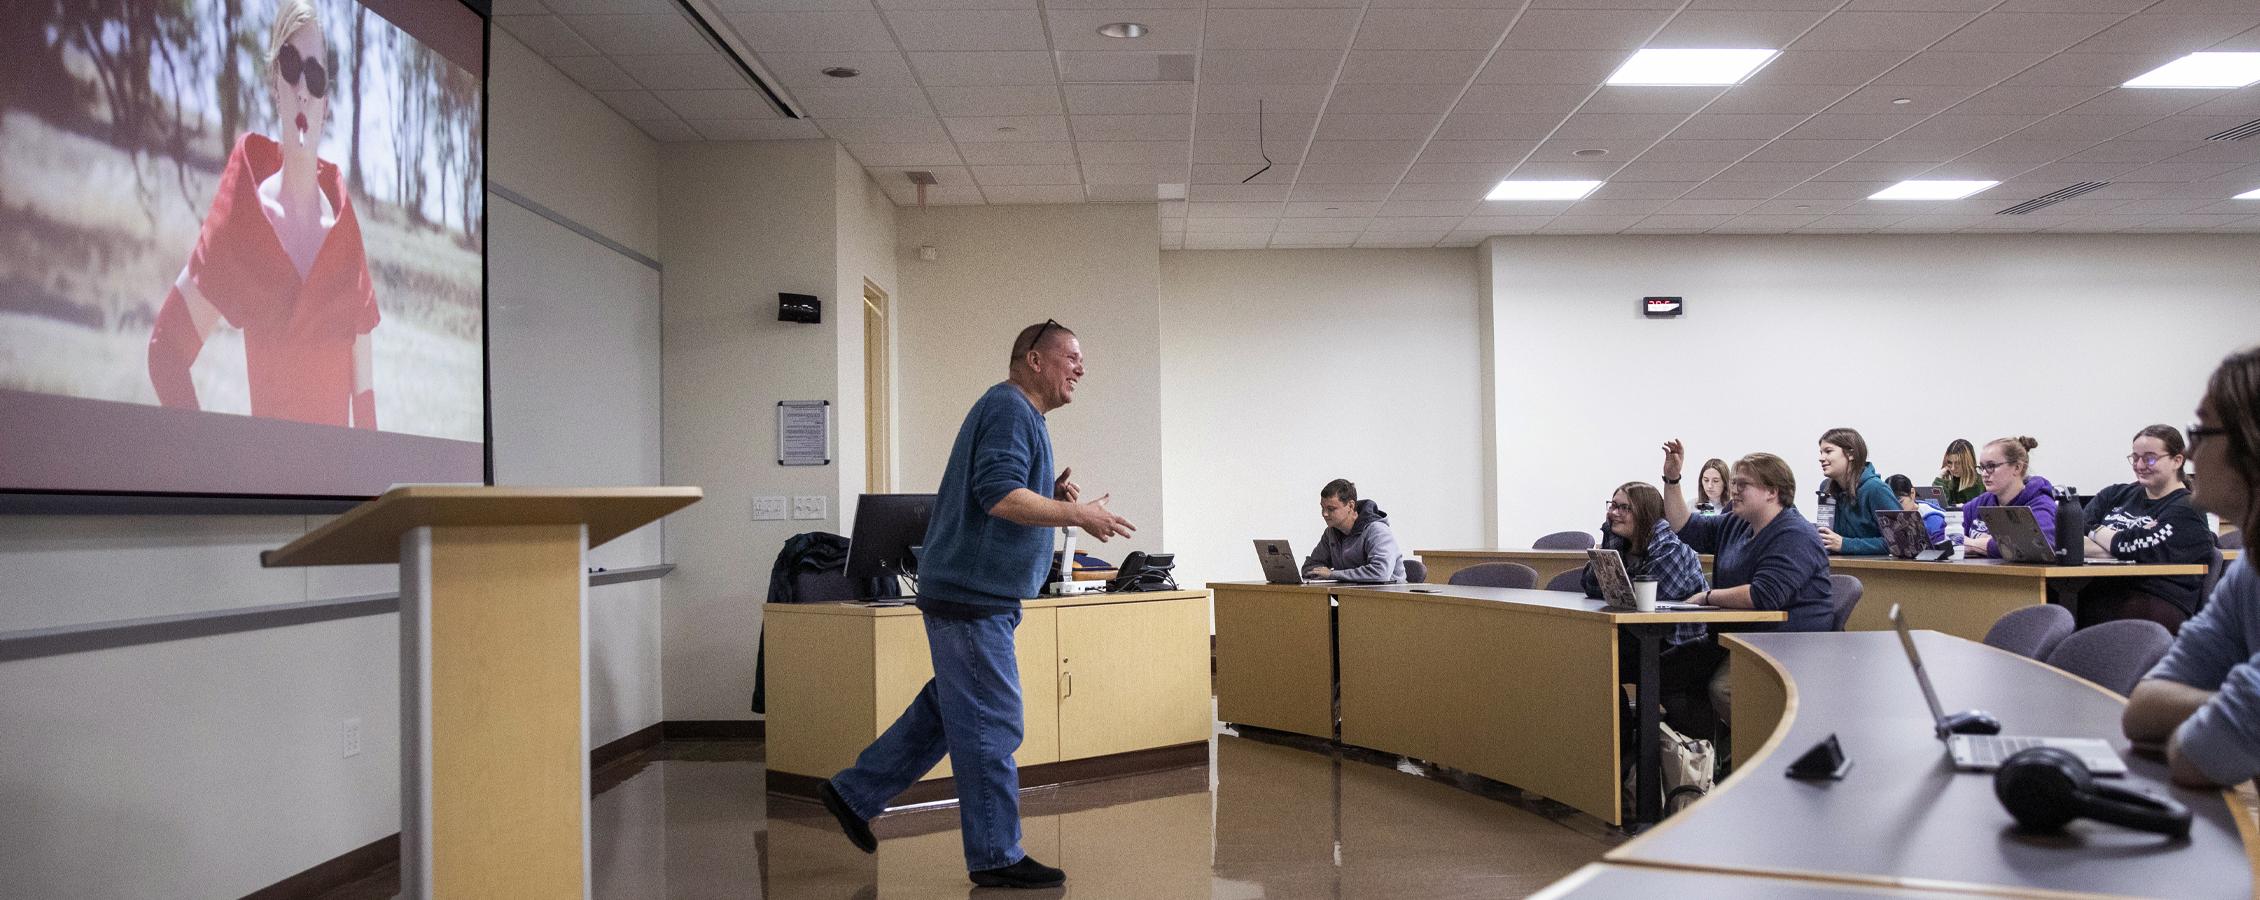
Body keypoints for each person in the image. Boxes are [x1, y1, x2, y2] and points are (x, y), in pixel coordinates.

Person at [819, 320, 1133, 889]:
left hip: (971, 592)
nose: (1081, 369)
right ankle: (995, 855)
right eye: (1072, 357)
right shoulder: (1011, 408)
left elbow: (1008, 490)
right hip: (970, 596)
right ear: (1034, 360)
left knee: (950, 710)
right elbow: (998, 496)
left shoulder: (1020, 415)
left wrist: (1054, 496)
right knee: (993, 722)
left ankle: (853, 793)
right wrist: (1078, 514)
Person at [147, 0, 381, 428]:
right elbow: (165, 352)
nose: (303, 90)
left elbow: (364, 403)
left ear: (327, 102)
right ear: (274, 82)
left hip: (338, 494)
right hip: (269, 494)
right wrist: (208, 465)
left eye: (315, 75)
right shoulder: (247, 218)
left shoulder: (345, 233)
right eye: (291, 66)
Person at [2123, 346, 2260, 789]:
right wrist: (2232, 708)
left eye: (2201, 431)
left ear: (2251, 439)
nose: (2192, 453)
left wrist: (2230, 721)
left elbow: (2194, 760)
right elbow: (2142, 709)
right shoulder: (2250, 571)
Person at [1660, 442, 1836, 737]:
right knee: (1661, 673)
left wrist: (1707, 597)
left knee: (1723, 689)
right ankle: (1715, 750)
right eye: (1735, 484)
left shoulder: (1794, 534)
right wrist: (1672, 479)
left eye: (1743, 485)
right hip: (1736, 636)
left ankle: (1761, 752)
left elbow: (1763, 595)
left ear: (1772, 491)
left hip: (1785, 642)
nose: (1734, 491)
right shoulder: (1737, 523)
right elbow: (1685, 527)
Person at [2078, 425, 2214, 630]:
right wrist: (2117, 546)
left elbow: (2126, 545)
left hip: (2157, 599)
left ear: (2177, 460)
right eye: (2135, 458)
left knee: (2076, 613)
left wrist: (2098, 532)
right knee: (2049, 604)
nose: (2140, 465)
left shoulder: (2188, 509)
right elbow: (2073, 534)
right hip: (2105, 588)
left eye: (2150, 458)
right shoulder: (2114, 494)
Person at [1583, 481, 1708, 649]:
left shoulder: (1669, 547)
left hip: (1678, 644)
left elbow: (1644, 599)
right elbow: (1590, 584)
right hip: (1640, 634)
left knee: (1601, 647)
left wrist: (1615, 588)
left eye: (1624, 508)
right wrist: (1609, 537)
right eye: (1612, 506)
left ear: (1644, 513)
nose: (1613, 513)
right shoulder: (1620, 540)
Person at [1960, 436, 2057, 559]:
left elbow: (2032, 546)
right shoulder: (1983, 502)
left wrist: (1974, 544)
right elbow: (1944, 534)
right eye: (1982, 467)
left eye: (1991, 466)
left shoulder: (2041, 504)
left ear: (2017, 467)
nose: (1984, 474)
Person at [1814, 427, 1899, 556]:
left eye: (1828, 451)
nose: (1821, 458)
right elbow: (1826, 536)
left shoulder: (1876, 489)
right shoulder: (1825, 488)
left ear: (1851, 454)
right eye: (1821, 452)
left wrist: (1845, 544)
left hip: (1877, 572)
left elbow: (1899, 541)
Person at [1302, 479, 1405, 584]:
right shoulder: (1331, 533)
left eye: (1331, 509)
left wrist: (1332, 574)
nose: (1324, 514)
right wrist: (1319, 573)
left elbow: (1381, 572)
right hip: (1352, 597)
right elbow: (1309, 567)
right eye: (1322, 508)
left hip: (1388, 597)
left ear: (1350, 506)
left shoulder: (1377, 530)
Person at [1886, 474, 1947, 543]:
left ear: (1912, 493)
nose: (1895, 508)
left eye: (1900, 502)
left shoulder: (1935, 520)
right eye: (1890, 503)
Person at [1934, 439, 1984, 506]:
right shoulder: (1949, 484)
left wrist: (1963, 507)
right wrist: (1940, 479)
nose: (1953, 468)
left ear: (1968, 463)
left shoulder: (1982, 483)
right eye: (1949, 463)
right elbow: (1940, 508)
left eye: (1958, 463)